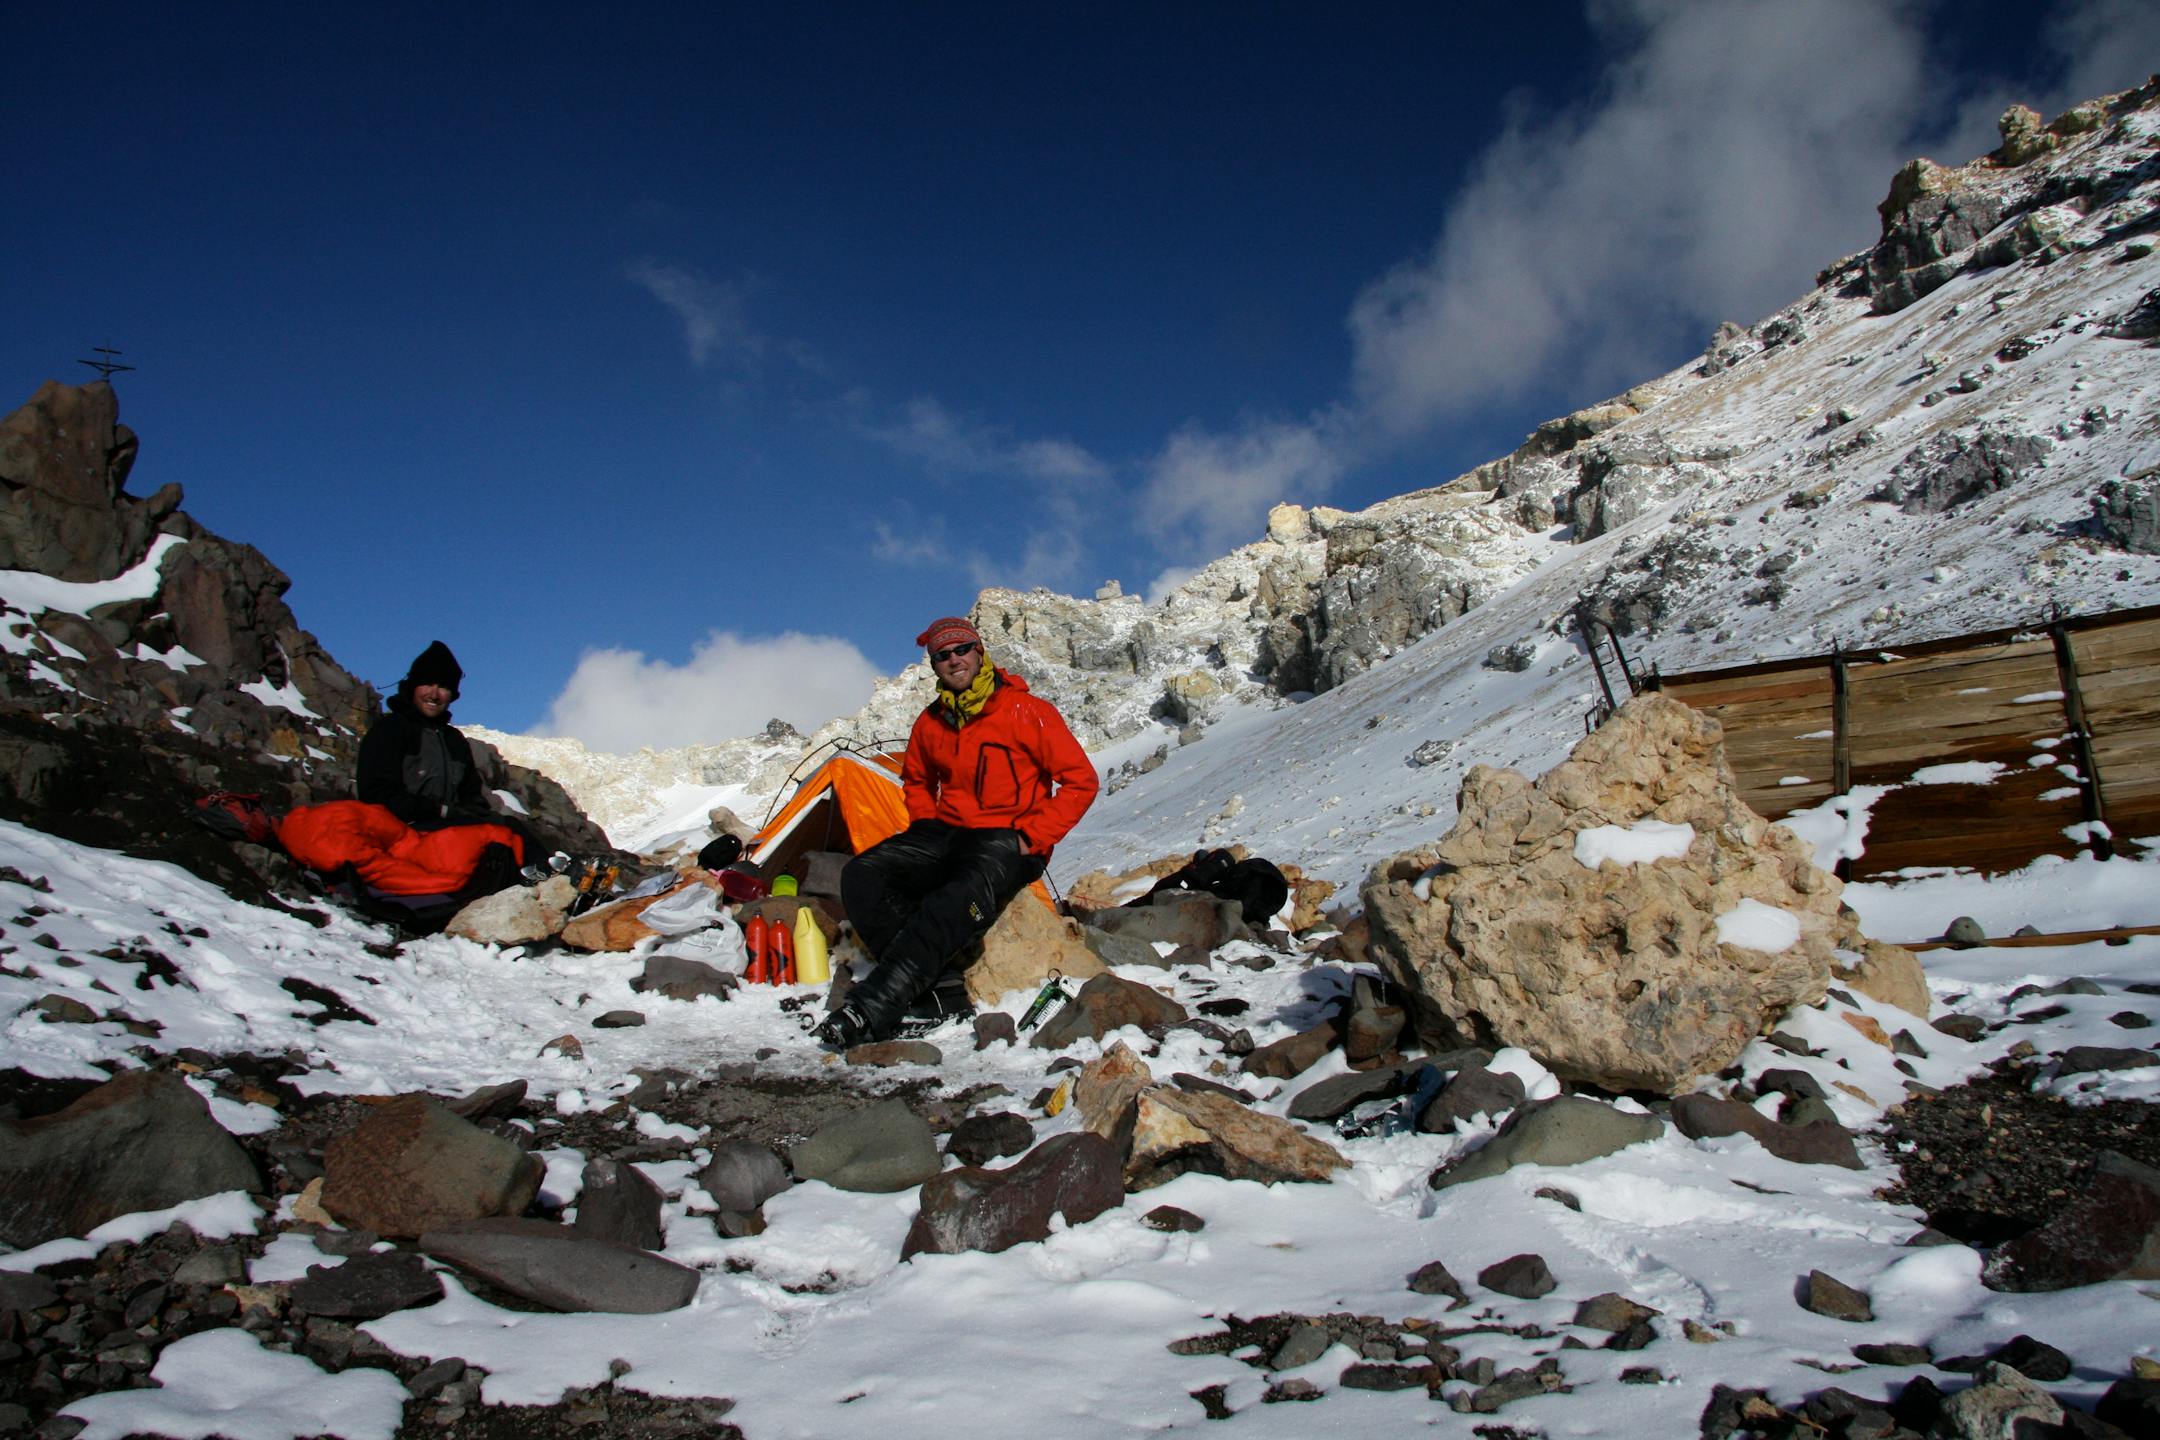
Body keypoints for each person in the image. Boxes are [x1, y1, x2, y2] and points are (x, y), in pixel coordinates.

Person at [814, 616, 1099, 1048]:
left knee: (951, 899)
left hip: (1006, 838)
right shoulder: (931, 721)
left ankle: (871, 1008)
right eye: (942, 655)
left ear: (979, 653)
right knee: (862, 874)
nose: (954, 659)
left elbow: (1081, 782)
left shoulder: (1027, 711)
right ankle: (943, 989)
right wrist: (925, 823)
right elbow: (916, 780)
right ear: (934, 665)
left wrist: (1031, 838)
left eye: (962, 649)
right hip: (946, 833)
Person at [355, 641, 552, 876]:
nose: (434, 694)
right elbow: (376, 795)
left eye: (443, 687)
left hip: (447, 829)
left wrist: (466, 813)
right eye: (427, 683)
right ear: (413, 686)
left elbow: (472, 796)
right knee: (501, 835)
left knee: (508, 829)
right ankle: (546, 878)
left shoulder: (454, 740)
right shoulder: (390, 730)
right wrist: (440, 811)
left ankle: (549, 875)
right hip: (402, 831)